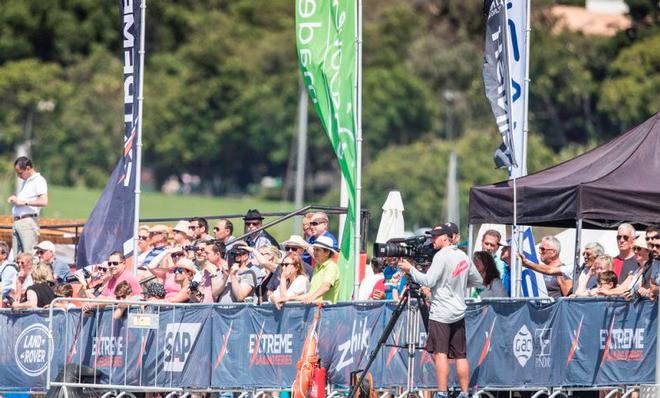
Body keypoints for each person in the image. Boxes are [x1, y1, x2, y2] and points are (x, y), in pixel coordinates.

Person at [398, 224, 482, 398]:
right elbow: (478, 280)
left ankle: (442, 393)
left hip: (441, 312)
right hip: (458, 311)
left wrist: (410, 269)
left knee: (441, 353)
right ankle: (465, 393)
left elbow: (428, 280)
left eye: (436, 236)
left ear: (446, 237)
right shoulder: (462, 256)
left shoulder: (441, 256)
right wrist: (457, 283)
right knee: (460, 355)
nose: (432, 239)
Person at [7, 156, 48, 256]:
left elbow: (44, 201)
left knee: (29, 256)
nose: (18, 176)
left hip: (28, 222)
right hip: (18, 222)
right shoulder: (26, 182)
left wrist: (23, 202)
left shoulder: (38, 180)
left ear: (28, 168)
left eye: (20, 173)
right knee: (18, 257)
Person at [301, 236, 341, 304]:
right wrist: (289, 298)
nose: (314, 252)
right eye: (314, 249)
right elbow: (311, 293)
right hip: (317, 311)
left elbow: (326, 287)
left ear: (327, 252)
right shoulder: (317, 266)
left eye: (318, 250)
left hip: (327, 312)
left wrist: (311, 298)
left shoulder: (331, 267)